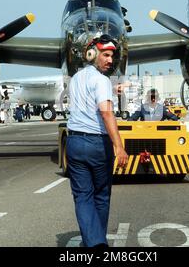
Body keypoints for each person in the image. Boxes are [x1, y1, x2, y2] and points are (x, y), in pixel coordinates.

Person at [66, 34, 128, 247]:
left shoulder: (75, 79)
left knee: (82, 197)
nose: (110, 60)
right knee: (101, 196)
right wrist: (119, 146)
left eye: (111, 56)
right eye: (106, 55)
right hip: (96, 145)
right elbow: (106, 113)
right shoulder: (101, 80)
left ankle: (92, 241)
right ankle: (97, 244)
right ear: (92, 55)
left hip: (74, 143)